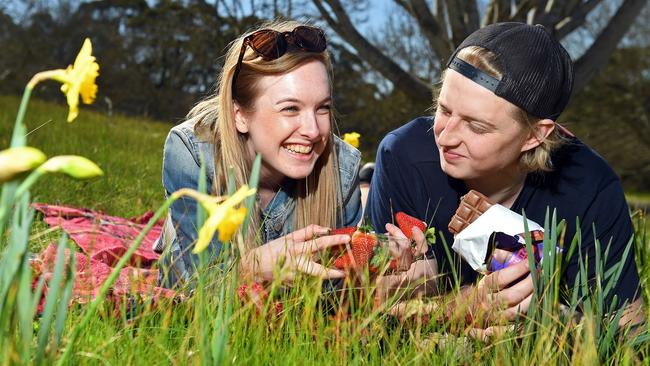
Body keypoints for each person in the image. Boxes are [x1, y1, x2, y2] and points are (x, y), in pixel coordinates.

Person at [366, 22, 643, 327]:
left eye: (476, 127)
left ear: (534, 136)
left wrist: (550, 321)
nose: (444, 137)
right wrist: (463, 308)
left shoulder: (590, 186)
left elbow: (630, 329)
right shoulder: (404, 156)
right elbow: (370, 311)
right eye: (443, 110)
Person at [156, 21, 362, 288]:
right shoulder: (193, 153)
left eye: (323, 108)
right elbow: (199, 286)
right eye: (290, 109)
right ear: (239, 115)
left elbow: (338, 297)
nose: (313, 131)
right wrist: (250, 268)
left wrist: (382, 271)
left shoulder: (342, 168)